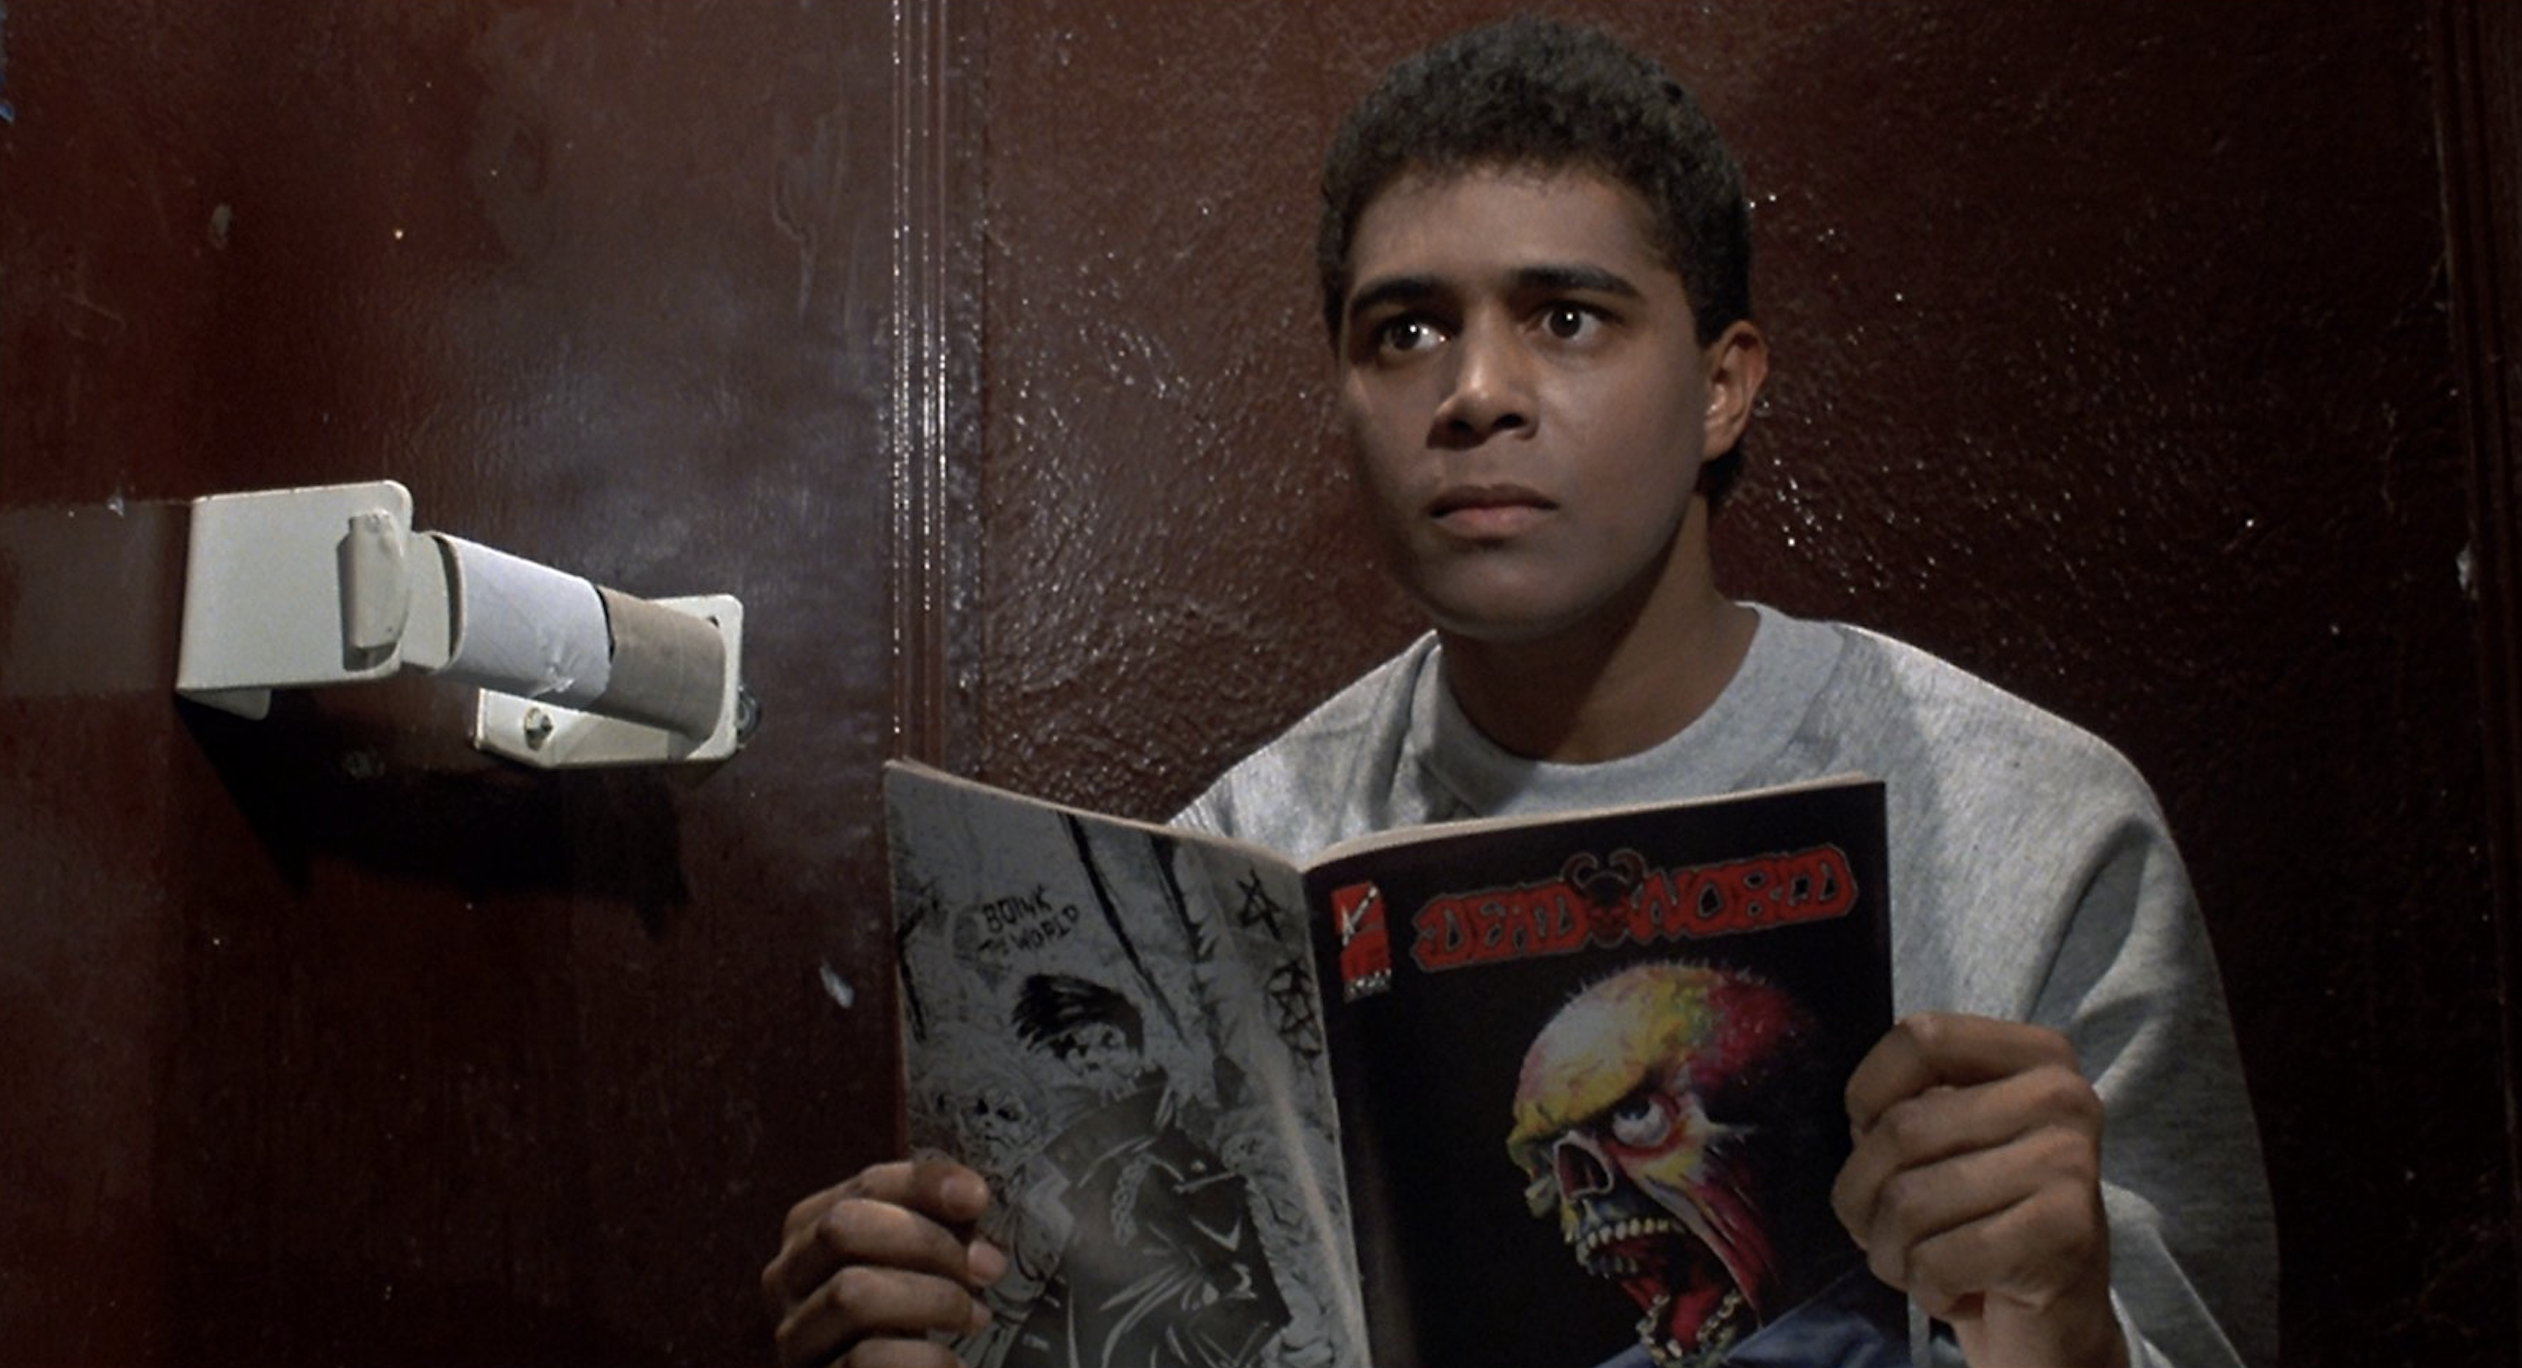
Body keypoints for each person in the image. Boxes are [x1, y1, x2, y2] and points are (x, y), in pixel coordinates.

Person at [761, 16, 2276, 1368]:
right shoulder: (1229, 871)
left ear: (1724, 385)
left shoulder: (2036, 828)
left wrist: (2067, 1332)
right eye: (1404, 331)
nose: (1474, 391)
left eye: (1564, 316)